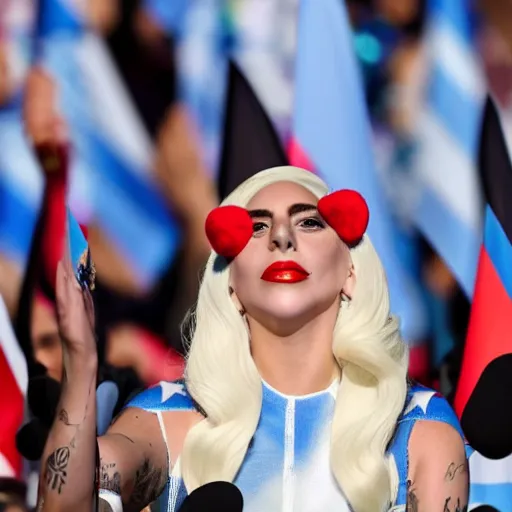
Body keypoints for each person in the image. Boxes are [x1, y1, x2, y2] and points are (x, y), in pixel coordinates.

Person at [37, 167, 470, 512]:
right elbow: (65, 505)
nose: (282, 237)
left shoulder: (418, 428)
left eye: (310, 222)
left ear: (351, 274)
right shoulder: (167, 419)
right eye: (258, 228)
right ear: (230, 285)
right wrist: (80, 364)